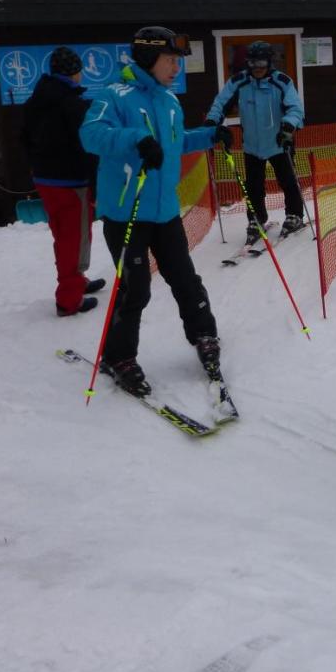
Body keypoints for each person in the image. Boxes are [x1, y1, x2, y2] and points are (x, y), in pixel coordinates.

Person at [80, 26, 234, 420]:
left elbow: (176, 142)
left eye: (179, 61)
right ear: (149, 59)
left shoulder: (168, 101)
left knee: (184, 277)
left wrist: (210, 136)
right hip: (126, 212)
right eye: (171, 61)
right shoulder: (112, 95)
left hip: (165, 211)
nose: (176, 68)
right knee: (135, 288)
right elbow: (91, 134)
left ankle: (203, 334)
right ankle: (118, 356)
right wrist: (134, 139)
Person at [22, 46, 104, 316]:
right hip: (70, 182)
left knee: (63, 234)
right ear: (75, 72)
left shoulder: (37, 99)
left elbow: (23, 137)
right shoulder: (72, 103)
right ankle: (69, 299)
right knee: (75, 238)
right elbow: (88, 145)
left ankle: (76, 281)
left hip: (45, 180)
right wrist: (96, 182)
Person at [205, 40, 307, 246]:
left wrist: (288, 126)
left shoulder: (282, 81)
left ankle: (294, 215)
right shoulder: (238, 82)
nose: (257, 68)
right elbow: (220, 103)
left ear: (269, 62)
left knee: (288, 180)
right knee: (253, 186)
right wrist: (212, 121)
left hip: (279, 142)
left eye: (261, 62)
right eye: (252, 63)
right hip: (252, 145)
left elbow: (296, 108)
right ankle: (256, 220)